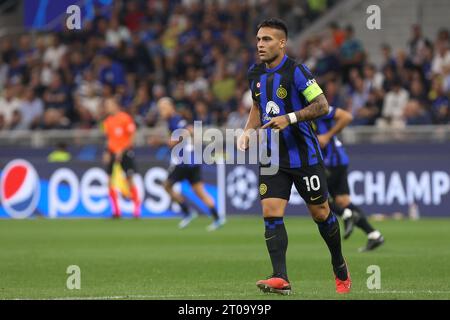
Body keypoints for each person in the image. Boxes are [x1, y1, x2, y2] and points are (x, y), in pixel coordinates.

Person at [239, 18, 351, 295]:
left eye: (266, 39)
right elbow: (257, 105)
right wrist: (246, 131)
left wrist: (289, 118)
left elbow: (322, 105)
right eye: (258, 39)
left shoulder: (298, 71)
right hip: (272, 156)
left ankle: (339, 263)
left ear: (282, 43)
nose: (260, 45)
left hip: (304, 155)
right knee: (271, 212)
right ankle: (281, 278)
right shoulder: (255, 73)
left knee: (321, 213)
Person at [313, 106, 385, 252]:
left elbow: (347, 117)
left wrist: (327, 136)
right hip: (335, 161)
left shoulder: (318, 107)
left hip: (332, 161)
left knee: (315, 198)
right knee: (343, 202)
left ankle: (347, 215)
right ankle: (374, 234)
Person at [154, 97, 225, 231]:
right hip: (192, 160)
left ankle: (187, 212)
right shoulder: (172, 120)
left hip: (184, 162)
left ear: (171, 107)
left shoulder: (175, 119)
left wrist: (170, 141)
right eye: (160, 109)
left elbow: (188, 131)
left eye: (163, 108)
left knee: (167, 186)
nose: (161, 111)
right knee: (199, 191)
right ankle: (217, 218)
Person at [102, 97, 140, 218]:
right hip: (112, 152)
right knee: (109, 180)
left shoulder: (125, 118)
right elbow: (109, 139)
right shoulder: (107, 121)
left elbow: (132, 136)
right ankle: (116, 211)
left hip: (125, 152)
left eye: (109, 104)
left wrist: (122, 150)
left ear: (115, 105)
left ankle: (136, 211)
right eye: (106, 105)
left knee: (129, 179)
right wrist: (107, 152)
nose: (107, 107)